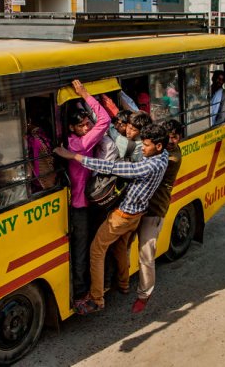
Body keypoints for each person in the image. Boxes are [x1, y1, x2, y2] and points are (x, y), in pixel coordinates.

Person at [54, 124, 169, 314]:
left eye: (146, 145)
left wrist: (74, 156)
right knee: (121, 247)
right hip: (137, 214)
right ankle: (123, 284)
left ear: (158, 146)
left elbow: (113, 166)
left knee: (96, 250)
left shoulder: (149, 165)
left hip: (123, 216)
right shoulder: (163, 156)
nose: (142, 148)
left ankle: (96, 298)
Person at [65, 79, 111, 301]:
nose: (88, 127)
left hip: (80, 202)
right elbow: (104, 120)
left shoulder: (70, 140)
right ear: (73, 128)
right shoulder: (82, 144)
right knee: (83, 248)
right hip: (80, 206)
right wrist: (85, 93)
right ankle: (82, 290)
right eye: (82, 125)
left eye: (87, 123)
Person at [131, 119, 183, 313]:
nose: (171, 140)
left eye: (175, 137)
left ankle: (144, 294)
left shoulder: (170, 159)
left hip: (154, 210)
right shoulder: (157, 150)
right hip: (139, 206)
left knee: (146, 253)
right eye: (168, 136)